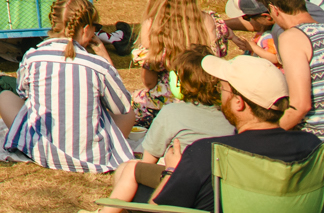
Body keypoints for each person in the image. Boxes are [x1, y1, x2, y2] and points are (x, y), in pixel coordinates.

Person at [107, 54, 324, 209]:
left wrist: (171, 171)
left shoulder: (209, 152)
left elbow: (160, 208)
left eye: (223, 89)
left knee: (135, 191)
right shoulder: (314, 148)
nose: (220, 95)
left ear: (239, 103)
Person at [0, 0, 135, 174]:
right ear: (86, 29)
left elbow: (23, 93)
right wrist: (106, 59)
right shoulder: (97, 65)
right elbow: (121, 107)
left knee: (5, 97)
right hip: (89, 153)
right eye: (96, 27)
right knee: (129, 111)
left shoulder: (33, 57)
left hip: (42, 150)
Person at [257, 0, 324, 134]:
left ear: (274, 9)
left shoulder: (293, 38)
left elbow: (300, 106)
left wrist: (268, 135)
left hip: (315, 141)